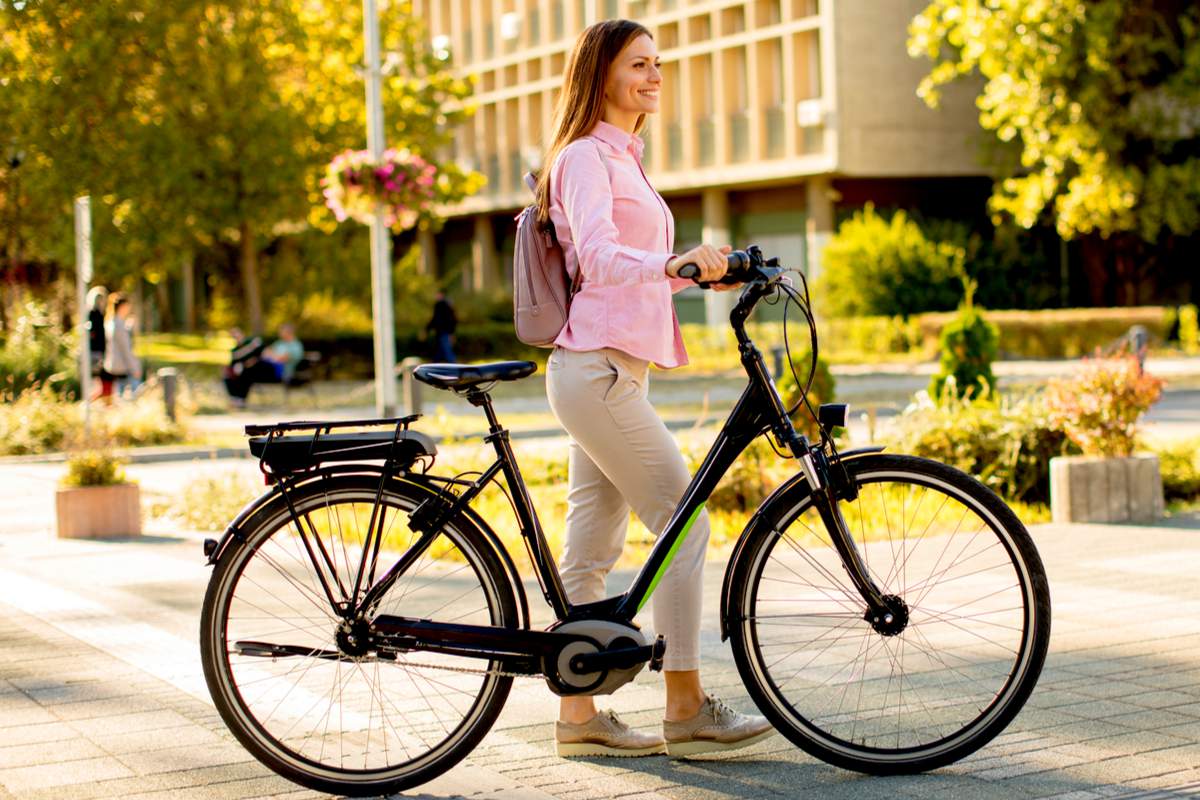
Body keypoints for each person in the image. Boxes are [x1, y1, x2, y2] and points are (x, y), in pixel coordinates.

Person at [536, 20, 772, 758]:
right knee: (684, 523)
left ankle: (578, 718)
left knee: (593, 545)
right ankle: (686, 706)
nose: (654, 74)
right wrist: (676, 263)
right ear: (602, 74)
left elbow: (637, 257)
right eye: (639, 64)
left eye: (658, 63)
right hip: (595, 370)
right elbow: (605, 258)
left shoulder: (626, 159)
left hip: (608, 372)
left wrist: (716, 268)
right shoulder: (583, 157)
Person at [223, 324, 304, 407]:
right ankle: (238, 398)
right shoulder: (280, 343)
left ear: (289, 332)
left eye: (282, 331)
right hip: (269, 367)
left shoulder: (295, 345)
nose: (280, 333)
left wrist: (270, 356)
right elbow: (267, 352)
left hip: (281, 372)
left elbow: (282, 359)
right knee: (247, 369)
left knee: (248, 369)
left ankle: (239, 398)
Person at [103, 293, 141, 400]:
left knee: (119, 393)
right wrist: (135, 368)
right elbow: (125, 349)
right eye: (128, 306)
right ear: (122, 307)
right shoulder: (119, 325)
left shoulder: (111, 322)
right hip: (123, 366)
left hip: (115, 364)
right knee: (133, 393)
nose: (129, 309)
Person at [86, 286, 112, 401]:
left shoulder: (101, 314)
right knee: (97, 378)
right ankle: (91, 400)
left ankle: (102, 401)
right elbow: (92, 334)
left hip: (101, 350)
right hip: (95, 351)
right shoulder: (92, 314)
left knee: (102, 380)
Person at [426, 291, 458, 363]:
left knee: (448, 353)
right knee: (439, 353)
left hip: (444, 332)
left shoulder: (442, 305)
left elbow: (448, 320)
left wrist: (451, 333)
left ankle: (455, 369)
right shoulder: (444, 305)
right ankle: (434, 366)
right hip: (442, 332)